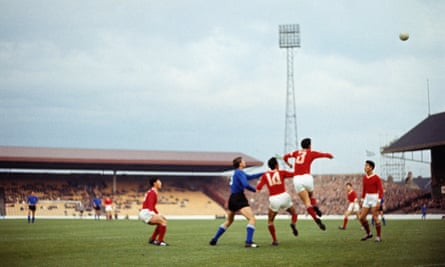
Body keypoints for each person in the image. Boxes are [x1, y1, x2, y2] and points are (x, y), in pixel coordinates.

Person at [209, 156, 263, 248]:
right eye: (243, 161)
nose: (245, 162)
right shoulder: (240, 172)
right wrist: (254, 190)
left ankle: (214, 239)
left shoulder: (236, 173)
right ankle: (248, 242)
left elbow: (250, 176)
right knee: (252, 219)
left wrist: (264, 173)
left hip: (232, 198)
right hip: (239, 198)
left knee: (229, 221)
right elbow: (245, 184)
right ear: (240, 164)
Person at [283, 138, 333, 231]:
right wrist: (329, 156)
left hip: (297, 179)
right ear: (309, 145)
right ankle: (315, 207)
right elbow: (323, 155)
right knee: (310, 197)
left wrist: (289, 164)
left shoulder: (296, 153)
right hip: (307, 178)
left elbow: (285, 156)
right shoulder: (311, 152)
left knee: (306, 202)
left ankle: (315, 218)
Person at [256, 157, 299, 245]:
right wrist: (291, 166)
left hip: (274, 198)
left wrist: (258, 187)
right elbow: (295, 174)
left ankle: (275, 240)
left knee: (270, 221)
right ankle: (293, 223)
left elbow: (258, 187)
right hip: (284, 196)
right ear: (276, 165)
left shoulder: (265, 175)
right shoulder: (281, 172)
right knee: (294, 213)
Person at [358, 160, 384, 242]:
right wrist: (362, 199)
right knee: (361, 218)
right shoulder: (365, 178)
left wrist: (379, 201)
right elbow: (364, 189)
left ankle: (378, 237)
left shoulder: (376, 178)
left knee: (375, 217)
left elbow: (381, 190)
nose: (365, 167)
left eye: (367, 166)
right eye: (365, 165)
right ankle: (368, 233)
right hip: (367, 198)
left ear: (371, 168)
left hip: (374, 198)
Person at [139, 177, 169, 246]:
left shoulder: (153, 191)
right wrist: (154, 214)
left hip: (146, 211)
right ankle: (160, 241)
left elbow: (152, 206)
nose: (161, 183)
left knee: (162, 220)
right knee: (163, 222)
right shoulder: (153, 192)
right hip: (146, 212)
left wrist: (159, 214)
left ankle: (152, 239)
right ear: (155, 183)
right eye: (159, 181)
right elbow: (150, 205)